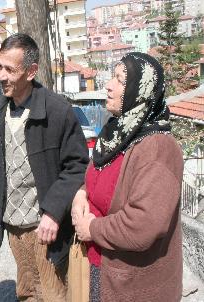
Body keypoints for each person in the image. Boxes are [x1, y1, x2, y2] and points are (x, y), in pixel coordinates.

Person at [0, 33, 89, 301]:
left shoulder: (57, 110)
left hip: (46, 229)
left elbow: (77, 166)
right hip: (14, 228)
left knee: (54, 294)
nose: (1, 76)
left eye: (9, 69)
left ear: (31, 71)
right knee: (26, 292)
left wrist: (52, 212)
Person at [72, 52, 184, 302]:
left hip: (134, 287)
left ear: (140, 91)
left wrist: (91, 228)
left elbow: (143, 224)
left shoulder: (158, 148)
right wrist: (82, 193)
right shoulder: (117, 134)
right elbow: (97, 177)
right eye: (112, 77)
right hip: (102, 270)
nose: (108, 86)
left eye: (120, 80)